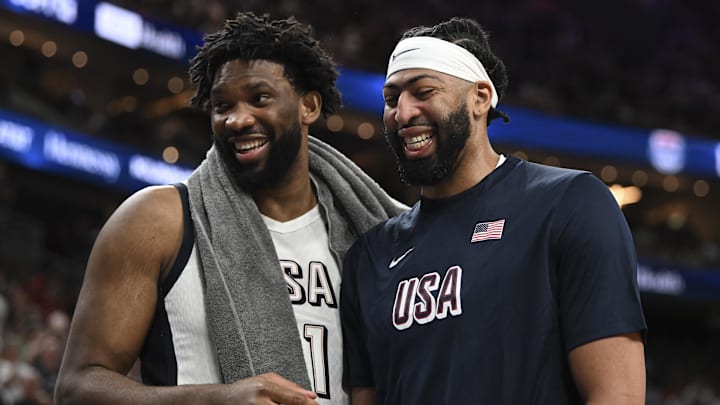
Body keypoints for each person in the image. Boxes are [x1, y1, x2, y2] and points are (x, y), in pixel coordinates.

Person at [55, 12, 405, 405]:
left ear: (308, 105)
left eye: (260, 99)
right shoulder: (158, 219)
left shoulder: (373, 235)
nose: (237, 119)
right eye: (222, 106)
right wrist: (215, 400)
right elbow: (77, 388)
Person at [340, 17, 647, 405]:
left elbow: (616, 394)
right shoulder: (369, 256)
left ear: (481, 98)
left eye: (423, 91)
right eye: (391, 98)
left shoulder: (569, 203)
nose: (402, 113)